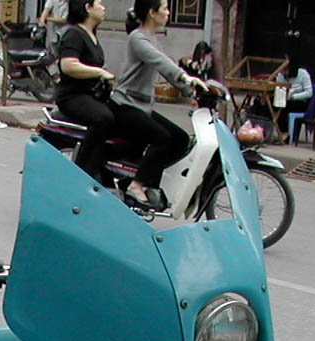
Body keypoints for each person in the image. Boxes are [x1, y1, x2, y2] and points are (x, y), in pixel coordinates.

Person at [55, 0, 206, 208]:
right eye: (164, 8)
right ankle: (136, 185)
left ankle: (146, 181)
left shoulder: (147, 38)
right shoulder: (137, 38)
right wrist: (184, 77)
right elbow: (159, 61)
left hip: (139, 104)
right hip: (124, 103)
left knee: (180, 139)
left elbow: (165, 63)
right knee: (161, 137)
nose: (169, 12)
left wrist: (191, 90)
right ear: (152, 13)